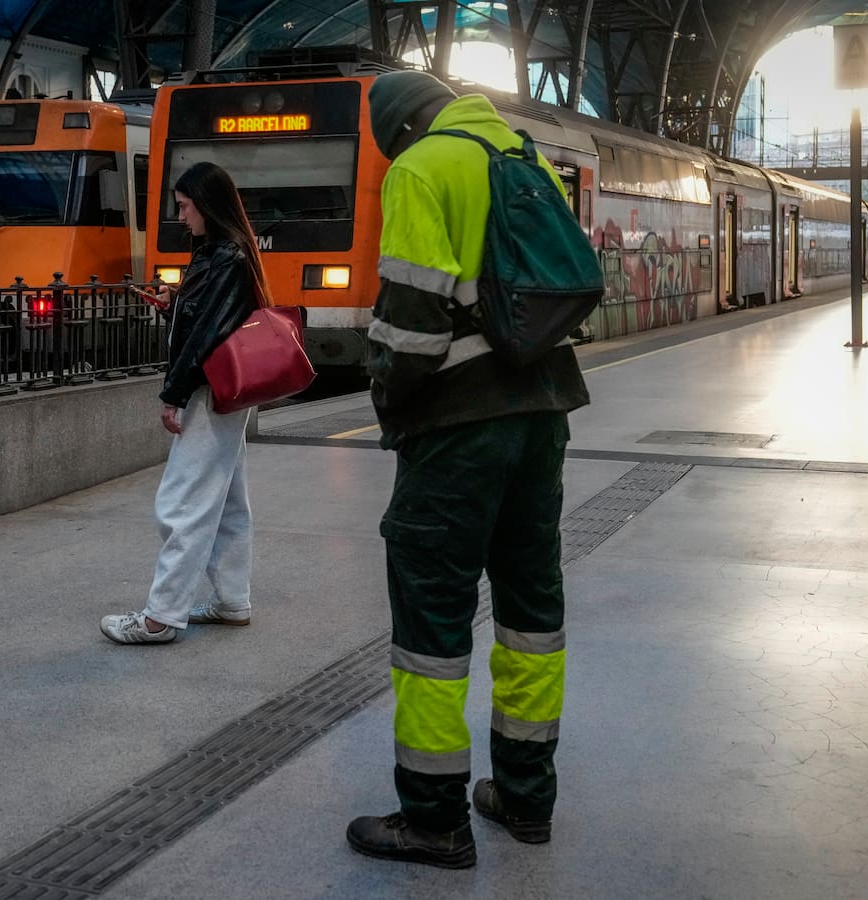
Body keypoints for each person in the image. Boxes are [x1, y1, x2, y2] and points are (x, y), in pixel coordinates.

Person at [345, 71, 592, 868]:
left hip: (460, 428)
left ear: (400, 132)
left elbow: (413, 331)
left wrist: (386, 390)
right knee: (530, 611)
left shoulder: (424, 169)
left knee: (433, 623)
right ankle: (526, 797)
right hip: (542, 413)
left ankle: (434, 818)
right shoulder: (518, 153)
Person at [99, 161, 271, 645]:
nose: (181, 216)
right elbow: (208, 319)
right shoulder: (221, 254)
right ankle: (232, 601)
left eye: (185, 206)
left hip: (208, 393)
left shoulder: (225, 258)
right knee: (230, 504)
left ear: (207, 204)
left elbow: (208, 336)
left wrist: (173, 395)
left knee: (182, 502)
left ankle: (160, 617)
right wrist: (175, 303)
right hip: (221, 394)